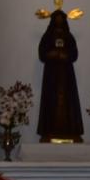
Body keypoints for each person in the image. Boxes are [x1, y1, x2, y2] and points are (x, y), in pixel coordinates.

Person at [36, 8, 83, 142]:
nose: (58, 24)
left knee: (68, 103)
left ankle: (70, 131)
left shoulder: (69, 36)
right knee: (51, 101)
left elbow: (74, 54)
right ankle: (50, 131)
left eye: (61, 21)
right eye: (56, 21)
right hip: (51, 76)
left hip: (66, 75)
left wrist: (64, 55)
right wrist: (54, 54)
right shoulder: (47, 36)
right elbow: (42, 53)